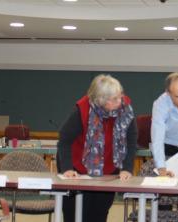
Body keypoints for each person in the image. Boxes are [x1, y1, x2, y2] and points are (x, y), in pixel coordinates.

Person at [57, 74, 137, 222]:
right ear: (101, 100)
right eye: (114, 99)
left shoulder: (125, 108)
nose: (120, 102)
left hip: (108, 170)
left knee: (99, 214)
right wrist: (67, 168)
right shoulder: (82, 110)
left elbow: (131, 141)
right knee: (75, 215)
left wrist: (127, 168)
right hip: (77, 168)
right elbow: (64, 140)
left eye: (120, 96)